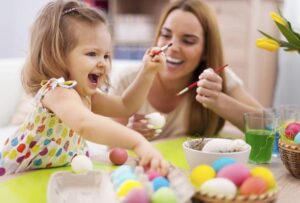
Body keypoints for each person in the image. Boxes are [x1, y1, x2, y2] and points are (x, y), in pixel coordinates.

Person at [0, 0, 169, 176]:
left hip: (51, 176)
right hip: (16, 178)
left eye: (106, 55)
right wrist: (138, 142)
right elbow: (84, 124)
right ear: (58, 56)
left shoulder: (86, 95)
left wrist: (148, 72)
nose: (103, 63)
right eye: (91, 54)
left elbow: (126, 106)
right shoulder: (57, 91)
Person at [111, 0, 263, 140]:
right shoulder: (127, 79)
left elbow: (268, 126)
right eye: (165, 35)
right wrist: (128, 137)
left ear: (205, 51)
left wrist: (218, 100)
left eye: (188, 41)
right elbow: (111, 148)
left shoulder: (216, 79)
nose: (173, 48)